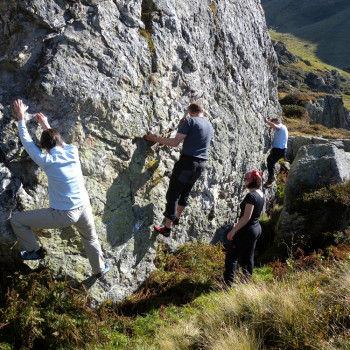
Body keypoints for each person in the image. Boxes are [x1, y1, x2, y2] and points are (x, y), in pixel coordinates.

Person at [11, 99, 110, 278]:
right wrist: (46, 125)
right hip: (84, 207)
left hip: (65, 214)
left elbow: (27, 143)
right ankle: (99, 270)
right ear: (59, 140)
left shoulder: (47, 161)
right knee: (90, 239)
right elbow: (59, 144)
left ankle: (35, 250)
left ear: (44, 148)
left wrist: (20, 118)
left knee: (17, 221)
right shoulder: (73, 151)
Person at [144, 102, 213, 237]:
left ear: (190, 112)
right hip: (201, 165)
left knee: (173, 193)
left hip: (187, 163)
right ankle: (177, 217)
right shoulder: (209, 125)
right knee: (185, 191)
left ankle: (167, 228)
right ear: (203, 112)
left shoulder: (191, 121)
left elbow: (175, 143)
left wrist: (154, 138)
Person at [224, 170, 264, 286]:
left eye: (247, 179)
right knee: (248, 256)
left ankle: (227, 285)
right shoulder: (260, 194)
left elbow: (246, 217)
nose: (245, 181)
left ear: (252, 181)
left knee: (231, 256)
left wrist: (233, 231)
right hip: (256, 228)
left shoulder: (251, 196)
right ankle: (245, 283)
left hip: (248, 230)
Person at [264, 117, 288, 187]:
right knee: (270, 161)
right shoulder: (284, 127)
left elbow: (275, 126)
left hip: (279, 150)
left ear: (276, 121)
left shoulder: (280, 126)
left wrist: (267, 122)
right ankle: (272, 175)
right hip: (279, 150)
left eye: (273, 122)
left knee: (270, 162)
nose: (272, 126)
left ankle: (270, 180)